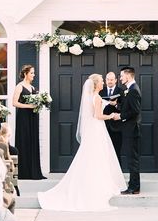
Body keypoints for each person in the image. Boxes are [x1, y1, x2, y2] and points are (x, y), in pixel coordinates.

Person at [38, 74, 126, 211]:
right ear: (96, 84)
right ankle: (98, 185)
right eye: (102, 81)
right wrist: (111, 116)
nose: (103, 83)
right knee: (99, 156)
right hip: (97, 128)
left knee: (92, 157)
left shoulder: (94, 97)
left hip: (94, 129)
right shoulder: (96, 97)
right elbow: (97, 116)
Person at [111, 66, 142, 194]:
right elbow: (128, 106)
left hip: (132, 129)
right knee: (131, 158)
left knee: (132, 159)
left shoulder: (133, 90)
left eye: (121, 76)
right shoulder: (129, 89)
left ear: (128, 76)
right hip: (128, 129)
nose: (120, 78)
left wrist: (120, 116)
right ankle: (133, 185)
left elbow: (135, 111)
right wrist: (117, 105)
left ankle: (134, 187)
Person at [12, 63, 45, 180]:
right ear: (25, 74)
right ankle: (24, 172)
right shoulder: (19, 86)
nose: (33, 75)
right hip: (24, 117)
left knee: (33, 140)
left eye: (34, 73)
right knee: (24, 140)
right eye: (32, 73)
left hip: (33, 117)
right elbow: (14, 103)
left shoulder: (33, 88)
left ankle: (34, 171)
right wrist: (29, 106)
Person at [99, 71, 123, 162]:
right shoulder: (101, 91)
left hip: (116, 126)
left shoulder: (121, 91)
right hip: (102, 125)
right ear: (105, 80)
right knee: (103, 151)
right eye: (108, 79)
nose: (109, 81)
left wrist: (116, 104)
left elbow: (124, 107)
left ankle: (117, 174)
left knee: (116, 151)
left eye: (112, 79)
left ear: (116, 80)